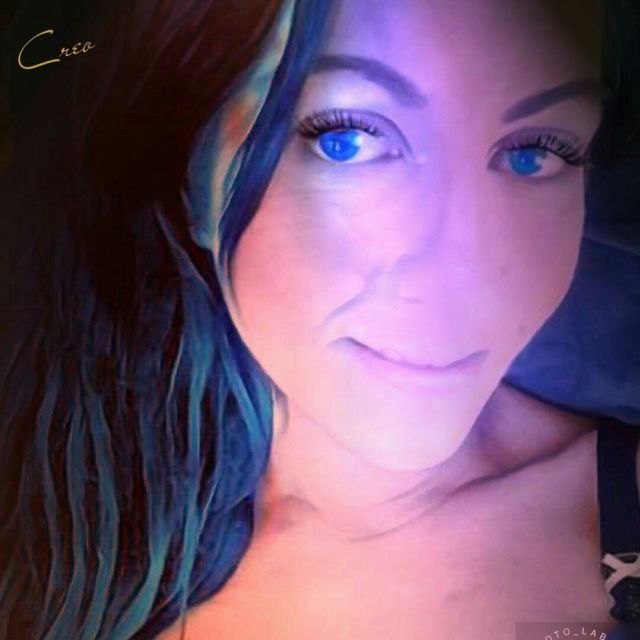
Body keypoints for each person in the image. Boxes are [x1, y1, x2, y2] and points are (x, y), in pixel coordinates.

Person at [0, 0, 638, 638]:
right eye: (347, 140)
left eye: (535, 153)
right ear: (192, 177)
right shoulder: (63, 544)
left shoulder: (617, 518)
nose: (471, 275)